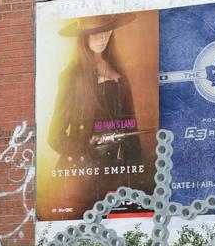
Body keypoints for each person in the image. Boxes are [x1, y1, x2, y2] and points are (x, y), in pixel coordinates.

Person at [47, 14, 143, 203]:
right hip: (83, 177)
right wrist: (87, 156)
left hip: (120, 171)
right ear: (84, 36)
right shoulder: (71, 76)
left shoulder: (118, 70)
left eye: (106, 30)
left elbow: (131, 126)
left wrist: (136, 166)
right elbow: (55, 136)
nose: (102, 38)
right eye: (95, 33)